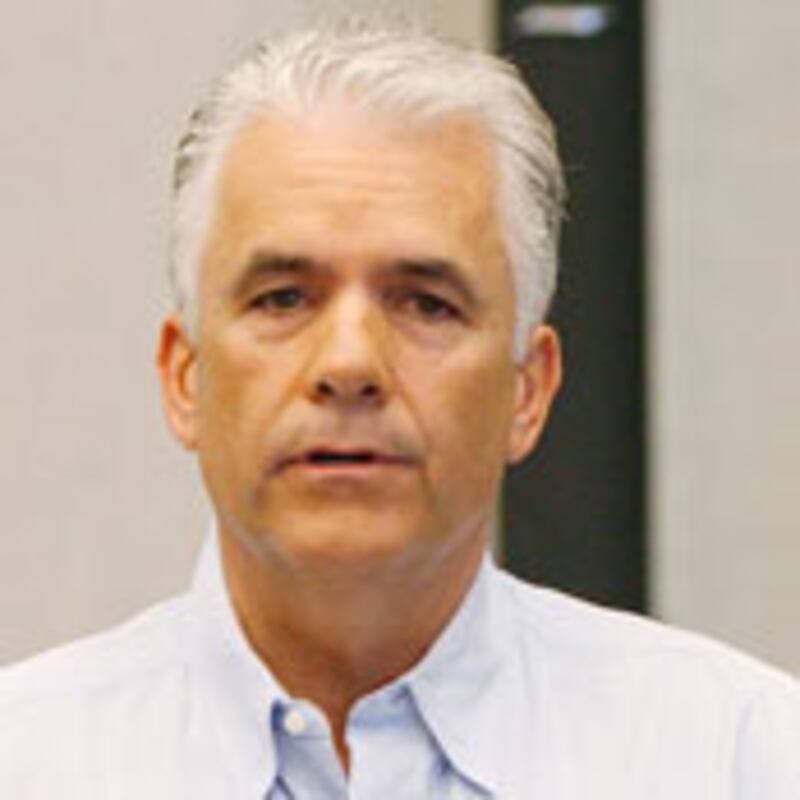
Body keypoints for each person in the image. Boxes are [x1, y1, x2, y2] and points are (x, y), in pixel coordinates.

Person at [1, 20, 798, 799]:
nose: (349, 363)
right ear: (186, 379)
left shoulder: (738, 758)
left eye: (426, 303)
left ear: (527, 390)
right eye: (284, 298)